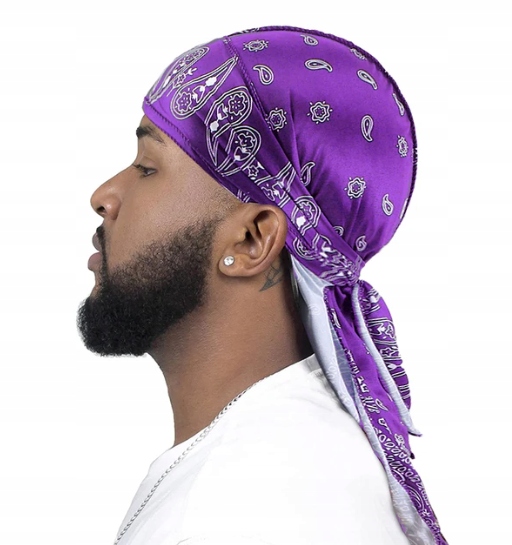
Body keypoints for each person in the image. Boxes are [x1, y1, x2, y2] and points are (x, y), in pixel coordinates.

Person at [77, 26, 448, 545]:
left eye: (147, 168)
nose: (104, 195)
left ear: (253, 240)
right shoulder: (290, 457)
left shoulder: (235, 506)